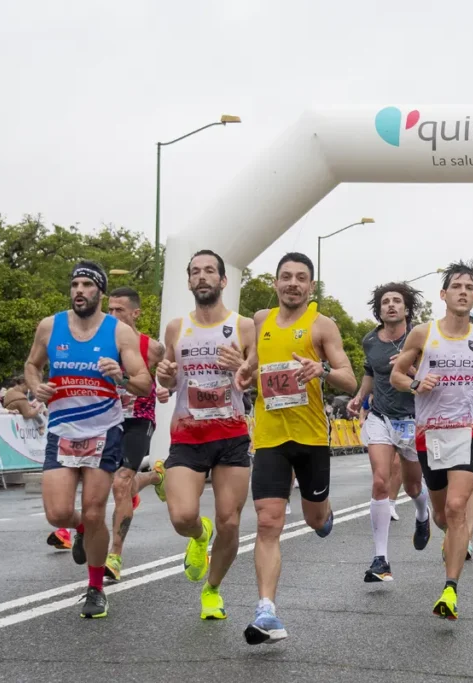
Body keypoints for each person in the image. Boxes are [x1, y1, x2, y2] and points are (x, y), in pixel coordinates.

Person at [234, 252, 357, 645]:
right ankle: (266, 610)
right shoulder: (260, 320)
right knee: (268, 522)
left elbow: (350, 380)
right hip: (270, 438)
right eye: (285, 277)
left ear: (311, 286)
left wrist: (322, 370)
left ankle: (324, 515)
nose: (292, 283)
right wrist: (243, 373)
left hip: (310, 438)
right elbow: (254, 364)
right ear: (275, 283)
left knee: (314, 520)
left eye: (300, 278)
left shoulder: (322, 326)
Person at [24, 261, 153, 618]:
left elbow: (144, 381)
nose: (79, 290)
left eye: (87, 285)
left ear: (100, 291)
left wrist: (122, 376)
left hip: (103, 430)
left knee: (97, 511)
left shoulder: (118, 333)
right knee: (58, 513)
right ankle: (79, 527)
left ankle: (95, 588)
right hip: (63, 430)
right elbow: (32, 365)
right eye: (75, 284)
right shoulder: (50, 326)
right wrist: (36, 386)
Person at [391, 260, 473, 620]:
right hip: (432, 432)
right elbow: (397, 374)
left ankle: (449, 590)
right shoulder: (423, 335)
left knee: (458, 507)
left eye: (469, 287)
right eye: (456, 286)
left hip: (471, 427)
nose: (463, 292)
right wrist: (415, 383)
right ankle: (442, 529)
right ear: (443, 295)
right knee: (444, 514)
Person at [155, 249, 255, 621]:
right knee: (182, 516)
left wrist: (241, 366)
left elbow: (255, 376)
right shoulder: (176, 327)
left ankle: (212, 590)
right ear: (189, 281)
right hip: (187, 434)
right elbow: (167, 375)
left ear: (223, 280)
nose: (202, 277)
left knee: (230, 521)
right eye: (195, 272)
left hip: (230, 435)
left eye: (209, 271)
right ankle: (200, 535)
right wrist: (164, 374)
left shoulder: (243, 326)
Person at [348, 281, 432, 585]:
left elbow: (435, 376)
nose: (391, 305)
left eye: (397, 301)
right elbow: (371, 371)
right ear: (379, 309)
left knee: (412, 487)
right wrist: (360, 396)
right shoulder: (371, 340)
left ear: (407, 308)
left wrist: (411, 371)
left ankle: (422, 515)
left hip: (413, 418)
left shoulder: (421, 338)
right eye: (386, 302)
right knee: (381, 480)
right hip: (381, 417)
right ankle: (381, 559)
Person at [102, 287, 168, 582]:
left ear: (135, 313)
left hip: (138, 418)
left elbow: (167, 376)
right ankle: (155, 477)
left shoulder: (152, 348)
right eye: (109, 309)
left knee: (121, 482)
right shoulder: (98, 341)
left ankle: (115, 555)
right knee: (102, 482)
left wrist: (165, 386)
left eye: (119, 310)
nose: (112, 315)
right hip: (105, 419)